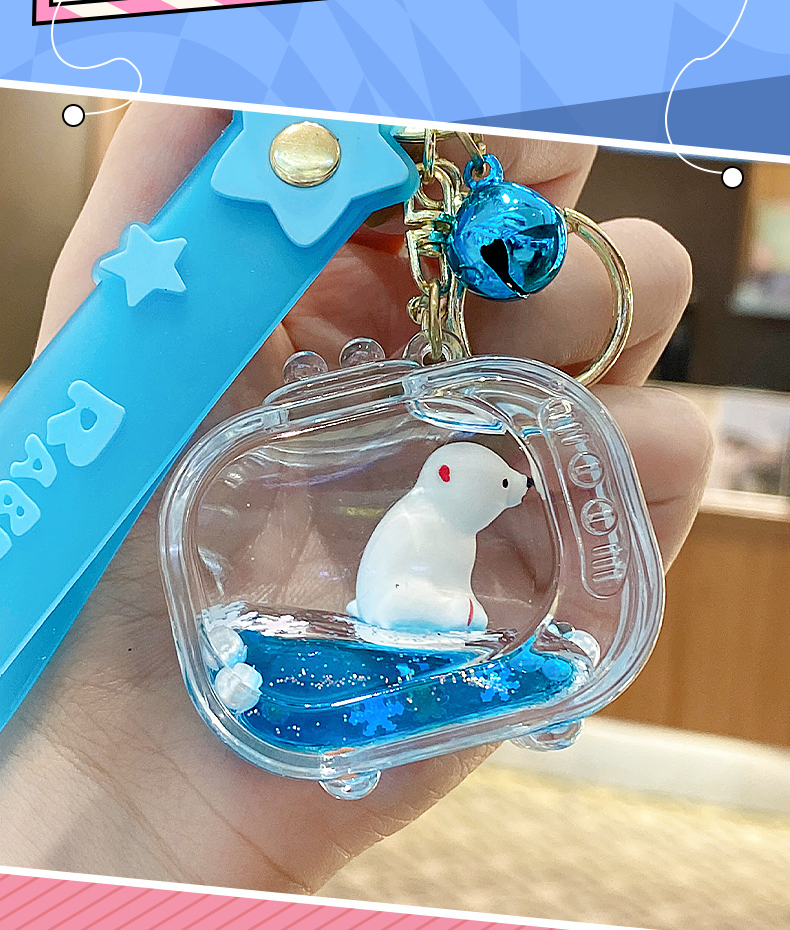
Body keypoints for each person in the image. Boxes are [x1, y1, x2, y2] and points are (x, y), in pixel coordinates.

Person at [0, 105, 712, 891]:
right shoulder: (423, 509)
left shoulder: (442, 510)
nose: (513, 491)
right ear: (446, 478)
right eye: (502, 484)